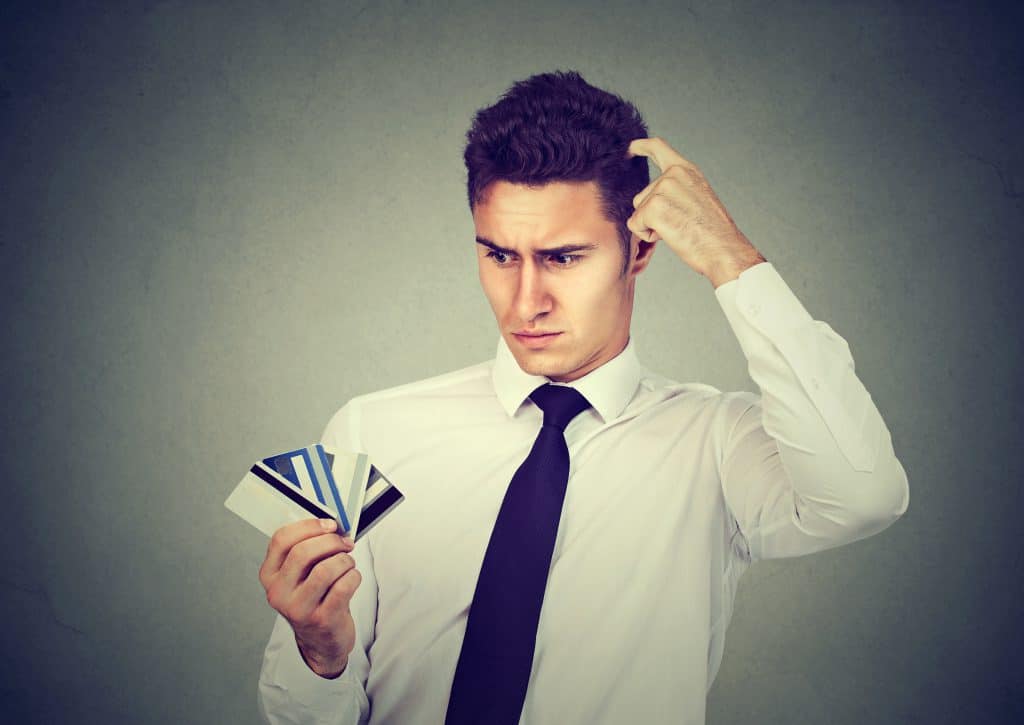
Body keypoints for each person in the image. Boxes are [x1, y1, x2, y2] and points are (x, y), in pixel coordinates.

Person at [254, 70, 910, 725]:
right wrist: (321, 654)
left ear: (640, 247)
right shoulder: (366, 428)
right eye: (499, 255)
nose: (526, 301)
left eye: (564, 257)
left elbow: (864, 494)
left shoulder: (717, 443)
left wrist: (730, 257)